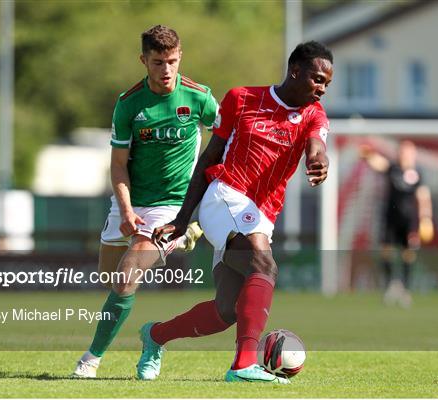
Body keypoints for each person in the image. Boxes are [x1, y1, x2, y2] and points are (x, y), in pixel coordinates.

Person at [137, 40, 333, 383]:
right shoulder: (242, 98)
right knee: (263, 261)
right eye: (317, 79)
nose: (322, 89)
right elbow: (209, 159)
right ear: (295, 71)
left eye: (327, 83)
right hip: (224, 196)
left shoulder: (313, 114)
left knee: (225, 311)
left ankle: (154, 336)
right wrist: (183, 220)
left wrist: (319, 160)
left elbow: (318, 143)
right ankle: (243, 366)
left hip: (260, 217)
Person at [72, 25, 218, 378]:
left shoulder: (199, 98)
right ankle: (185, 237)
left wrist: (213, 185)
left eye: (171, 61)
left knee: (125, 280)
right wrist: (124, 210)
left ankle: (90, 360)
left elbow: (227, 136)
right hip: (130, 202)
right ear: (144, 60)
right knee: (110, 280)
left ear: (180, 56)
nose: (166, 70)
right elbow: (118, 165)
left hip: (170, 205)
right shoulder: (129, 104)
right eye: (157, 62)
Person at [361, 140, 433, 307]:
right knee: (386, 251)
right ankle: (390, 285)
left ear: (413, 154)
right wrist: (368, 155)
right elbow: (379, 163)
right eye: (402, 152)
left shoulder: (418, 173)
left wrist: (426, 218)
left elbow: (423, 197)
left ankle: (405, 290)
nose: (404, 155)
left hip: (409, 220)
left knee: (408, 253)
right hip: (390, 218)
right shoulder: (393, 168)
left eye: (407, 152)